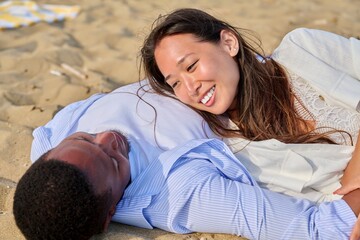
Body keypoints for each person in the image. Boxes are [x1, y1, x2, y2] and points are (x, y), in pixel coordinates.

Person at [13, 80, 360, 240]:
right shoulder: (178, 193)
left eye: (85, 138)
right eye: (114, 159)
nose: (108, 137)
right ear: (110, 214)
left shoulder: (49, 143)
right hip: (277, 89)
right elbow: (322, 227)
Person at [140, 8, 360, 203]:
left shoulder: (304, 49)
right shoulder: (241, 153)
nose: (190, 88)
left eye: (191, 66)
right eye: (175, 83)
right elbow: (331, 207)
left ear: (229, 43)